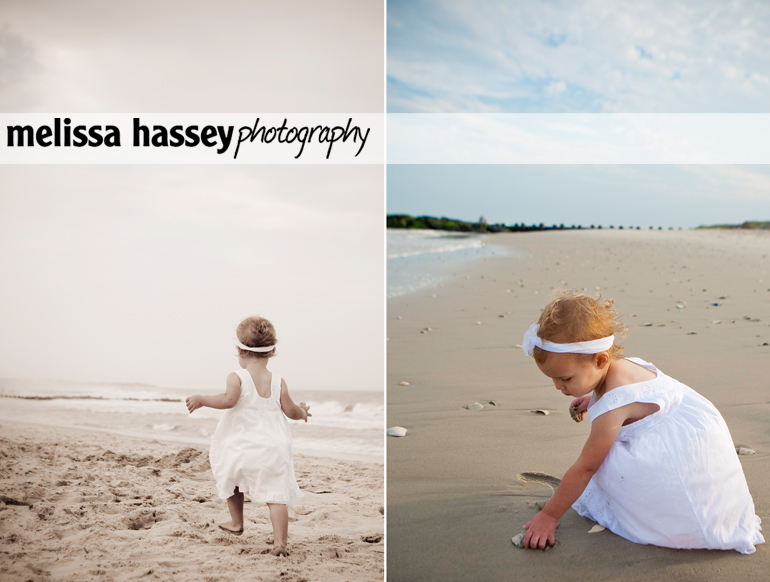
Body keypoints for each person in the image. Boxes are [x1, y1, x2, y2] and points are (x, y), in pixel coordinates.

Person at [518, 290, 764, 554]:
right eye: (553, 379)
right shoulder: (619, 367)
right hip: (695, 430)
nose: (558, 387)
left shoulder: (615, 405)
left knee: (609, 469)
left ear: (600, 359)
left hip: (679, 454)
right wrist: (593, 400)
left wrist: (549, 516)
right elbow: (634, 398)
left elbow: (586, 467)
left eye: (565, 379)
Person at [186, 316, 310, 556]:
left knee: (231, 476)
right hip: (273, 447)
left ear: (239, 350)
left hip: (240, 444)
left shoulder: (236, 377)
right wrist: (304, 412)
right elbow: (291, 410)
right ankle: (280, 545)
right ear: (273, 350)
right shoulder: (278, 381)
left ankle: (237, 523)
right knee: (276, 495)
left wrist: (202, 400)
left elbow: (228, 400)